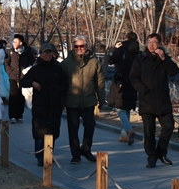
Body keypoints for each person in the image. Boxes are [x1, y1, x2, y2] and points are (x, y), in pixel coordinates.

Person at [129, 33, 179, 168]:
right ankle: (151, 157)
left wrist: (164, 59)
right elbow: (133, 77)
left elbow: (174, 72)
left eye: (154, 42)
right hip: (147, 100)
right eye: (149, 42)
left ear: (160, 44)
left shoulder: (164, 58)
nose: (151, 45)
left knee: (169, 126)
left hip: (163, 100)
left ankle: (161, 153)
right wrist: (142, 89)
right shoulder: (140, 58)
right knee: (149, 131)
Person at [20, 43, 68, 167]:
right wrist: (33, 83)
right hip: (40, 106)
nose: (47, 54)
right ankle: (40, 156)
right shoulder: (36, 69)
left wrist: (59, 92)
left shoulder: (58, 69)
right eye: (45, 52)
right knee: (39, 132)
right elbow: (23, 82)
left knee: (52, 132)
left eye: (49, 52)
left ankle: (49, 154)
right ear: (40, 54)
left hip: (54, 106)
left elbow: (64, 84)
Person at [60, 35, 106, 164]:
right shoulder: (66, 63)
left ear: (86, 46)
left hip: (88, 100)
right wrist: (61, 101)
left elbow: (100, 82)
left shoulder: (94, 62)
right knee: (73, 129)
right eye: (76, 46)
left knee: (90, 126)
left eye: (82, 46)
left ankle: (86, 149)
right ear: (73, 47)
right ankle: (75, 154)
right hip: (72, 101)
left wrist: (101, 98)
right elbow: (61, 84)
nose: (79, 48)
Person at [107, 32, 140, 145]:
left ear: (126, 39)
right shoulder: (138, 51)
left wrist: (114, 49)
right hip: (133, 81)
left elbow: (110, 60)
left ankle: (129, 130)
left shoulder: (121, 48)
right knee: (126, 106)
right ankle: (124, 135)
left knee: (119, 107)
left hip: (120, 81)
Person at [5, 35, 36, 123]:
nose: (13, 43)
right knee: (13, 95)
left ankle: (19, 115)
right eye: (13, 42)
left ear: (21, 43)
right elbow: (6, 63)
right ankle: (12, 116)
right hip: (13, 77)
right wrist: (9, 72)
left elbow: (33, 63)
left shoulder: (27, 52)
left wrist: (27, 71)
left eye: (15, 42)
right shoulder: (10, 51)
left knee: (21, 96)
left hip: (23, 77)